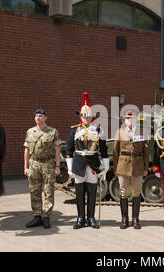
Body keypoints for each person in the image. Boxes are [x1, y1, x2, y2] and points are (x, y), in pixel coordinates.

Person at [66, 92, 109, 229]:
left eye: (88, 116)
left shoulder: (98, 130)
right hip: (79, 165)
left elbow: (103, 150)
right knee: (79, 194)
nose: (86, 118)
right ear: (80, 117)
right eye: (84, 116)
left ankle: (91, 217)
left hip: (92, 164)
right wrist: (69, 168)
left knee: (92, 193)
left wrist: (106, 168)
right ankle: (80, 218)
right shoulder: (74, 130)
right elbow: (69, 150)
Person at [23, 109, 62, 229]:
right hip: (34, 163)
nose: (38, 118)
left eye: (40, 116)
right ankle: (37, 216)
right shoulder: (30, 131)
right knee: (34, 191)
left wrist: (57, 166)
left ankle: (46, 217)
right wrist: (26, 167)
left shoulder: (52, 132)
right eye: (36, 116)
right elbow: (27, 150)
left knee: (48, 191)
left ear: (46, 118)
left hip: (48, 164)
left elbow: (57, 150)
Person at [113, 111, 149, 229]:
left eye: (132, 118)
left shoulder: (143, 132)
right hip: (123, 165)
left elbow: (146, 152)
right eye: (127, 118)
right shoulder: (120, 132)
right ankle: (124, 219)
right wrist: (115, 167)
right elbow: (115, 151)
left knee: (136, 193)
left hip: (138, 165)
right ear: (124, 120)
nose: (130, 120)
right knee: (123, 193)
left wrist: (145, 167)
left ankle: (135, 219)